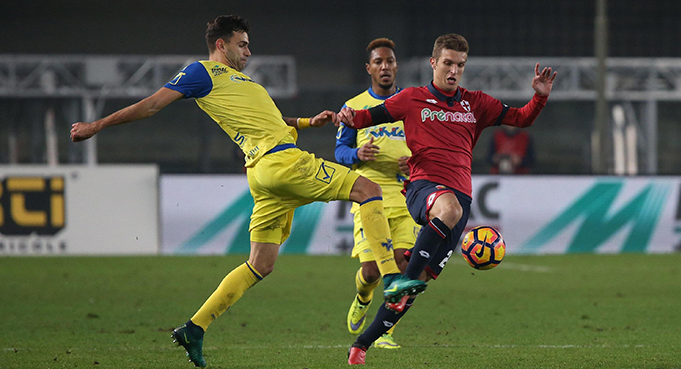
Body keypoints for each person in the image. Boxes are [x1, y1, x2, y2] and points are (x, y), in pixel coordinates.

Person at [69, 15, 425, 368]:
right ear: (221, 45)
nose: (249, 51)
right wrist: (95, 125)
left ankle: (195, 328)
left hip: (265, 174)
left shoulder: (241, 83)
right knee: (368, 188)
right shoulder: (201, 72)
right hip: (284, 164)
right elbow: (150, 105)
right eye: (242, 44)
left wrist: (304, 122)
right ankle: (392, 279)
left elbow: (268, 121)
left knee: (260, 263)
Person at [337, 33, 556, 365]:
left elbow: (521, 118)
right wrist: (351, 118)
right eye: (448, 63)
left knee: (417, 285)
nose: (454, 71)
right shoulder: (411, 98)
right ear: (434, 63)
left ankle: (361, 345)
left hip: (459, 204)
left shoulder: (477, 103)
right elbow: (370, 116)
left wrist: (538, 97)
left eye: (460, 65)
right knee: (444, 213)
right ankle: (402, 277)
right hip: (423, 188)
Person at [335, 38, 420, 350]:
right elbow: (340, 151)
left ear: (396, 67)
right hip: (369, 196)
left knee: (401, 265)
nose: (385, 67)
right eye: (379, 62)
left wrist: (415, 161)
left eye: (390, 62)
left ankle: (385, 329)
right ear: (369, 68)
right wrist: (357, 153)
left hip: (407, 195)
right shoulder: (354, 107)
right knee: (371, 270)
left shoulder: (411, 104)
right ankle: (363, 295)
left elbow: (427, 147)